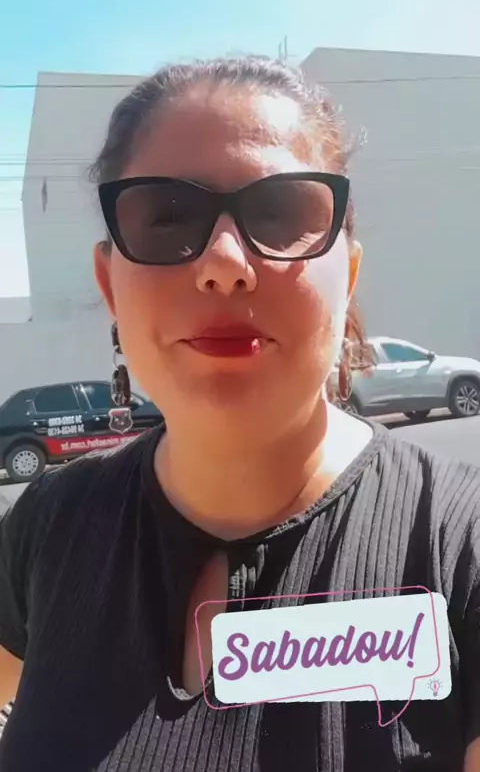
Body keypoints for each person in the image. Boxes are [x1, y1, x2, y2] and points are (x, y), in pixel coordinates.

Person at [0, 57, 479, 772]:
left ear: (348, 274)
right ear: (109, 284)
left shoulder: (461, 545)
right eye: (167, 218)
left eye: (279, 214)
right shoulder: (47, 526)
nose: (224, 263)